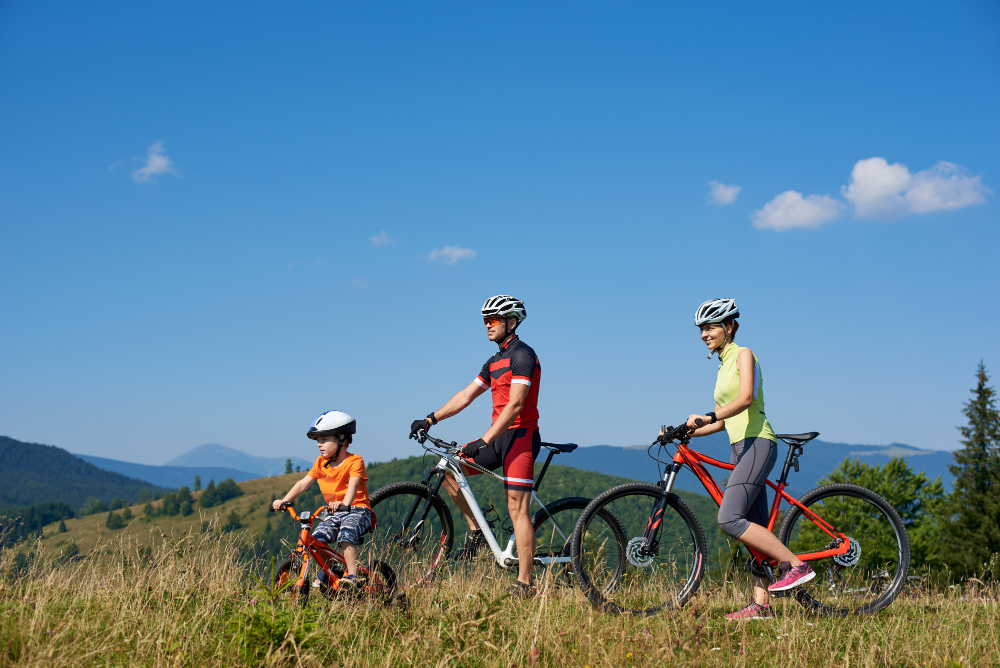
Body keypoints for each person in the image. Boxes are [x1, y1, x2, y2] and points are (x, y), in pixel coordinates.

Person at [682, 298, 815, 620]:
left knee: (729, 518)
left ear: (729, 326)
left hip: (758, 443)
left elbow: (745, 399)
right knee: (754, 527)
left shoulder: (744, 354)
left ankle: (795, 565)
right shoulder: (721, 366)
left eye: (710, 327)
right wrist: (684, 432)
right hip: (739, 446)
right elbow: (721, 422)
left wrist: (709, 415)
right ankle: (761, 605)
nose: (704, 334)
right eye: (701, 329)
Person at [409, 295, 541, 599]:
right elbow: (466, 395)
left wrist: (486, 438)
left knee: (516, 508)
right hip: (497, 437)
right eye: (484, 320)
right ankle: (477, 531)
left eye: (493, 320)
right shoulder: (494, 361)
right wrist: (431, 419)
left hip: (520, 436)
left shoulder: (524, 355)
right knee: (449, 471)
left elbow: (516, 404)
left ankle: (526, 584)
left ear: (511, 322)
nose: (487, 325)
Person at [271, 410, 372, 588]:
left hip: (357, 509)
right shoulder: (321, 463)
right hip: (333, 511)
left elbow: (353, 484)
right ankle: (331, 571)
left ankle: (353, 577)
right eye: (318, 440)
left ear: (341, 438)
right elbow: (303, 484)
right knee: (316, 540)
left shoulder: (355, 461)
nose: (319, 444)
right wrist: (284, 501)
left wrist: (345, 503)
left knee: (346, 535)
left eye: (324, 439)